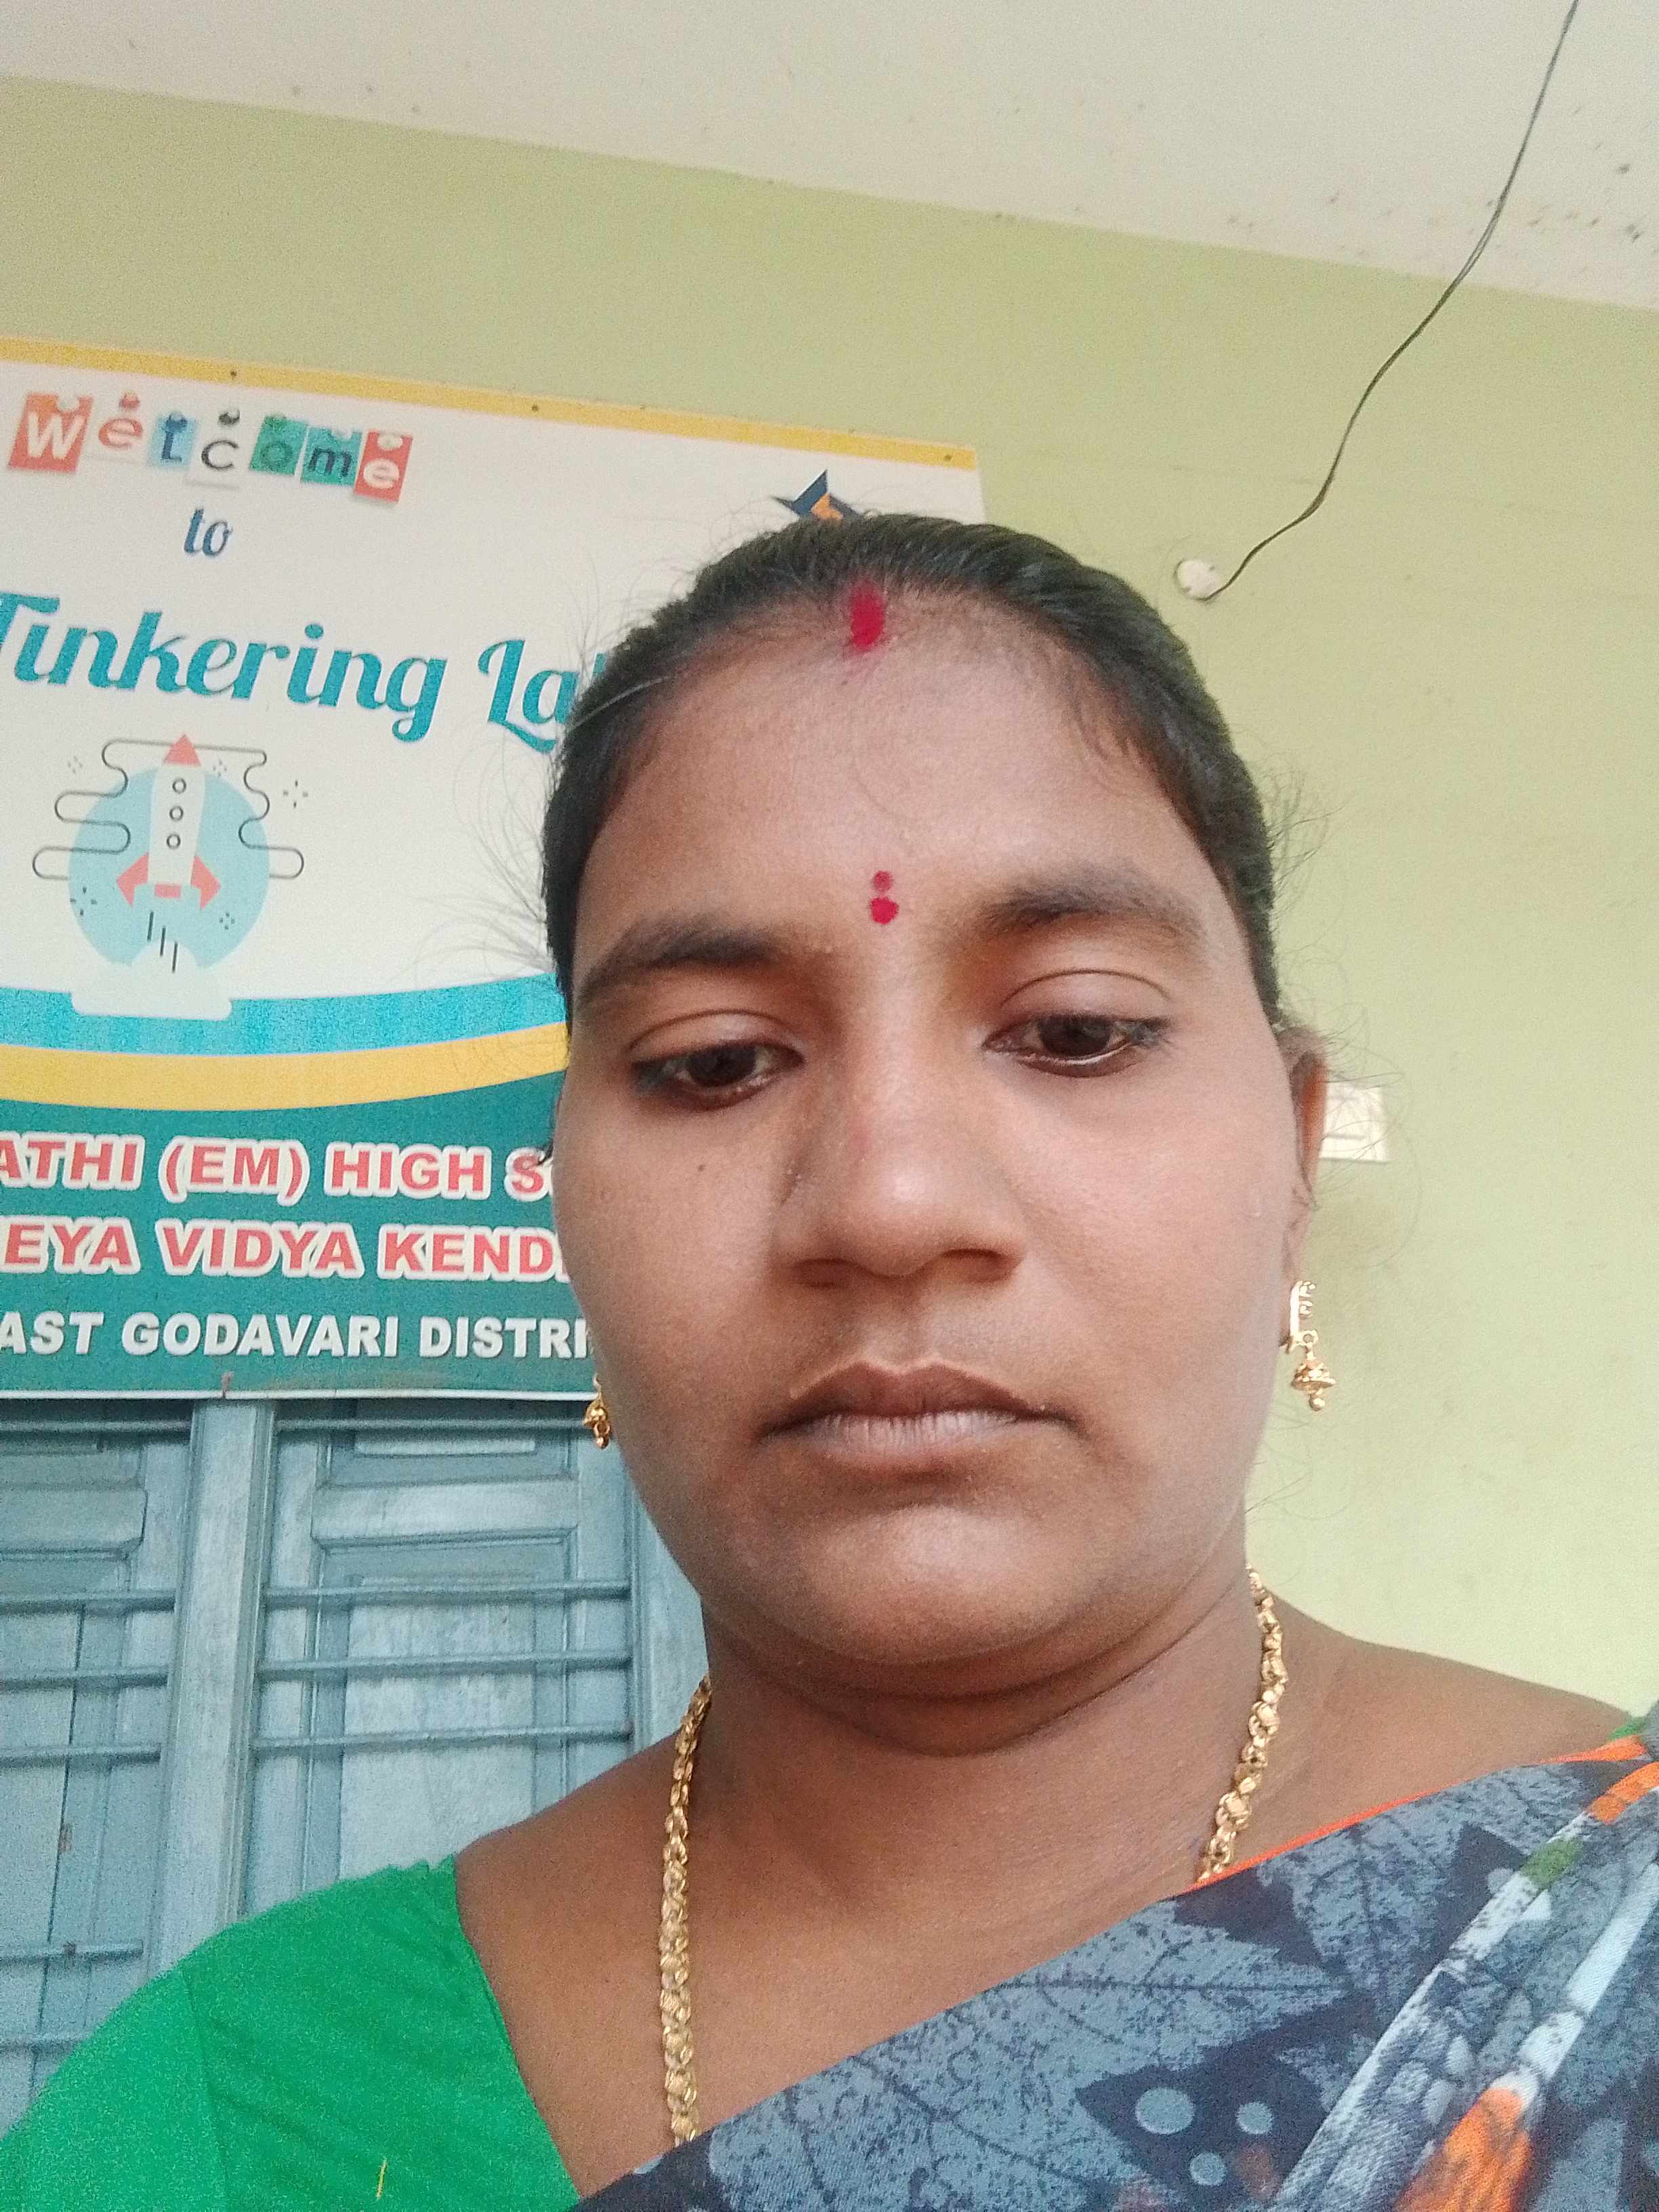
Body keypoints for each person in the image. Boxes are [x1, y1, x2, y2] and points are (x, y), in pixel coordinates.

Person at [3, 515, 1653, 2211]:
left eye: (1076, 1029)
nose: (888, 1202)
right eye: (715, 1060)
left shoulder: (1616, 1930)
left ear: (1296, 1159)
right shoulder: (219, 2122)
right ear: (560, 1203)